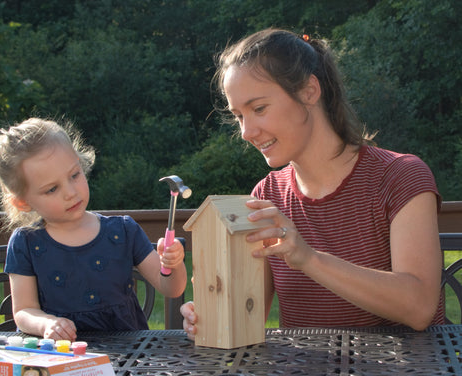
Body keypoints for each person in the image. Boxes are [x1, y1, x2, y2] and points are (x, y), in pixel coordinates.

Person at [181, 28, 443, 335]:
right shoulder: (266, 195)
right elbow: (247, 317)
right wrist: (211, 311)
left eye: (259, 109)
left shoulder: (400, 176)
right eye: (239, 116)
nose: (246, 132)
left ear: (309, 91)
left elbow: (420, 307)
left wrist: (308, 259)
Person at [0, 117, 187, 341]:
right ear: (22, 202)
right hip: (61, 359)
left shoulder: (122, 231)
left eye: (74, 175)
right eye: (52, 189)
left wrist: (174, 264)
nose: (70, 192)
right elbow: (24, 311)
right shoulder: (26, 242)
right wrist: (46, 323)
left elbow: (172, 289)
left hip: (128, 359)